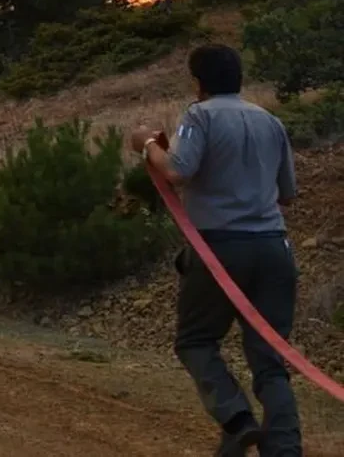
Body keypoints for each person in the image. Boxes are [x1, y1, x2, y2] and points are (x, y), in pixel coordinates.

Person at [131, 43, 301, 457]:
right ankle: (284, 449)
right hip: (274, 250)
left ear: (198, 82)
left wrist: (144, 145)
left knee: (195, 341)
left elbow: (174, 171)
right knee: (270, 357)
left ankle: (237, 418)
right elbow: (289, 195)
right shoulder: (270, 121)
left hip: (219, 252)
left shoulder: (199, 115)